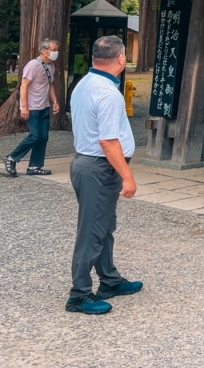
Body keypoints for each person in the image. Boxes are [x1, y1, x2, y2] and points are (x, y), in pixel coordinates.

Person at [65, 36, 142, 315]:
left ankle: (109, 279)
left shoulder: (83, 84)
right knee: (92, 233)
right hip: (99, 167)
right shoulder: (109, 93)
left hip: (87, 165)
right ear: (121, 58)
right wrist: (127, 176)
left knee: (104, 227)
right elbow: (108, 142)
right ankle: (79, 294)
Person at [5, 39, 60, 177]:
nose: (56, 53)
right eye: (53, 50)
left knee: (43, 137)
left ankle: (35, 166)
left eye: (56, 50)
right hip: (33, 107)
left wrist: (54, 101)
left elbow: (50, 85)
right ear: (43, 50)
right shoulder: (33, 65)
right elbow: (24, 85)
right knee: (35, 136)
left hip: (44, 106)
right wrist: (24, 107)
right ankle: (12, 157)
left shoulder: (51, 66)